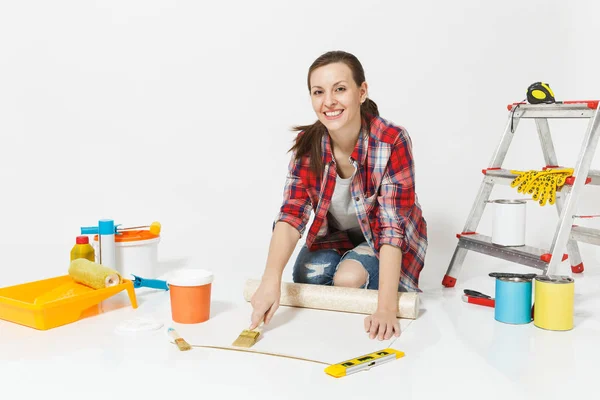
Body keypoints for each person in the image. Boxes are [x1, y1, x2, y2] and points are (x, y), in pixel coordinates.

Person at [249, 50, 427, 340]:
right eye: (318, 92)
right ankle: (347, 261)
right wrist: (271, 280)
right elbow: (292, 212)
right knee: (310, 277)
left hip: (381, 240)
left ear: (361, 92)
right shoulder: (307, 145)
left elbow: (392, 227)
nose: (328, 101)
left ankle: (357, 268)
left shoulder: (391, 140)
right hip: (334, 236)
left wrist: (385, 308)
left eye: (340, 89)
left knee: (347, 279)